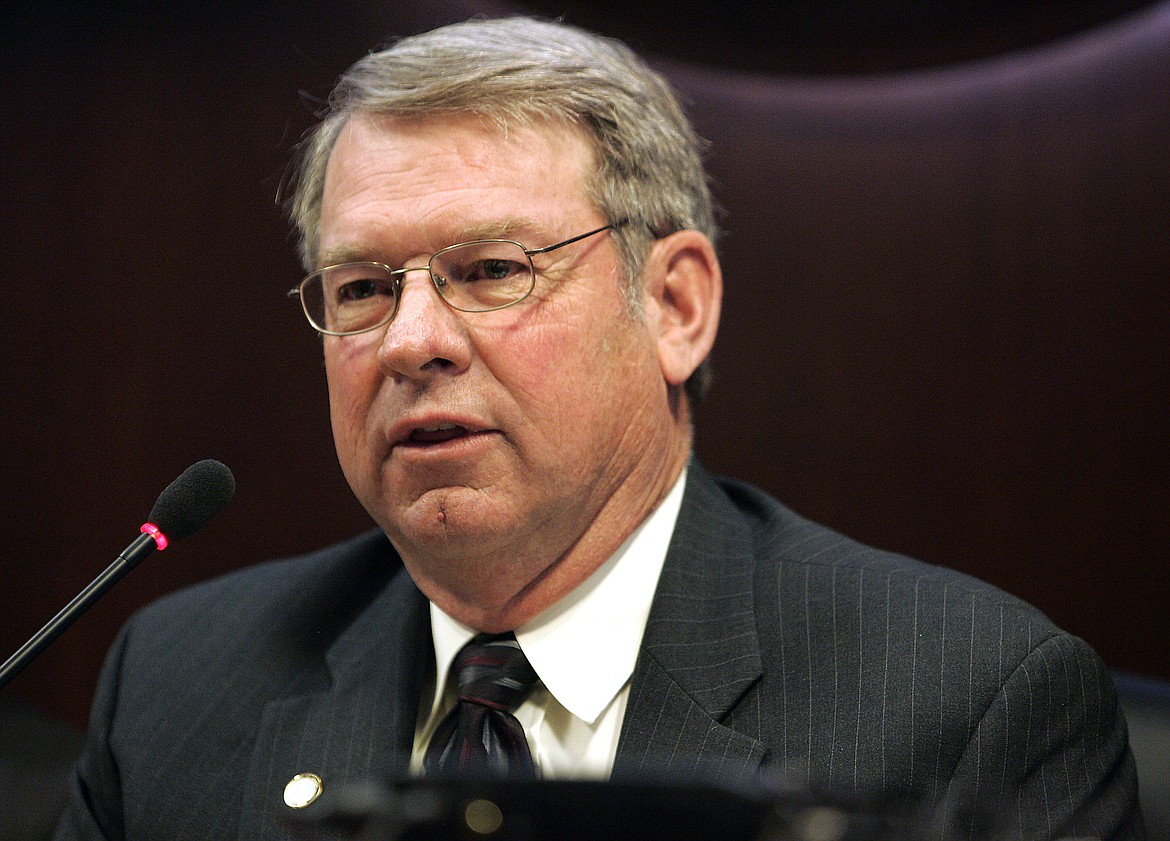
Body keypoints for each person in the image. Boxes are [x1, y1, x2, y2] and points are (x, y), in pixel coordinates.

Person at [55, 15, 1141, 841]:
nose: (408, 340)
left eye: (491, 271)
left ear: (674, 306)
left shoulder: (970, 702)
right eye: (360, 288)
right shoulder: (180, 686)